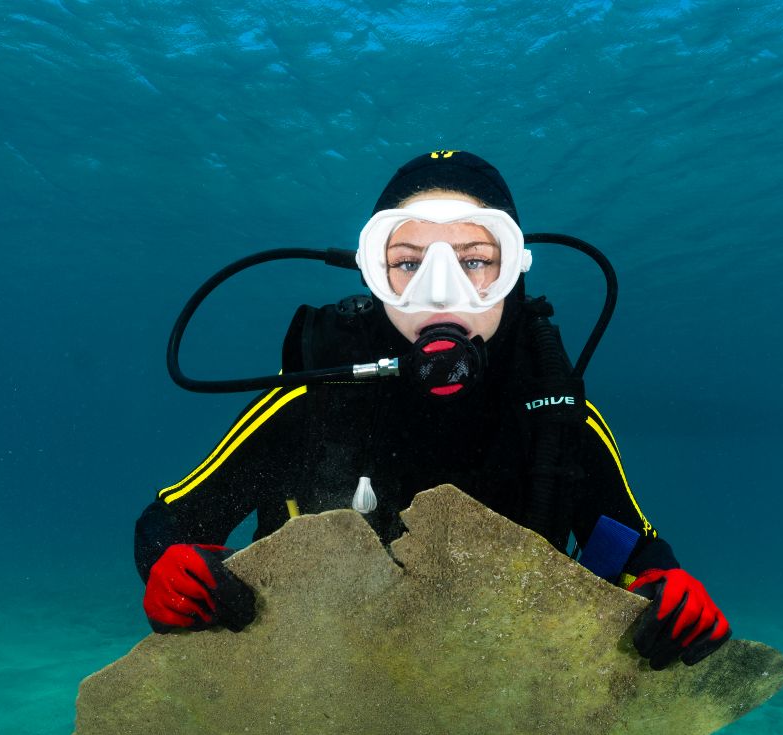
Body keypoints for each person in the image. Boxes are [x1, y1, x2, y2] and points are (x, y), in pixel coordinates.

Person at [135, 150, 730, 669]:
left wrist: (666, 584)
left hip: (497, 680)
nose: (441, 292)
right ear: (374, 273)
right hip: (318, 672)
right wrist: (171, 565)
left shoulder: (554, 415)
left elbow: (627, 545)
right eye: (408, 263)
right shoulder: (312, 400)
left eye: (474, 261)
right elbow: (169, 523)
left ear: (513, 271)